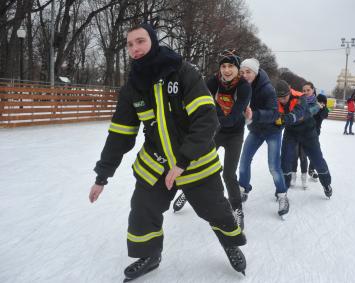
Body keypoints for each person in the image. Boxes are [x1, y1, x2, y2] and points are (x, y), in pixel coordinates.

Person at [88, 23, 246, 282]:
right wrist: (102, 175)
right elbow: (120, 134)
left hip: (194, 160)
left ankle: (230, 244)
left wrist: (183, 160)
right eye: (130, 44)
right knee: (142, 208)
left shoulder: (183, 72)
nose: (135, 48)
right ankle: (150, 254)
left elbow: (207, 119)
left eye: (140, 41)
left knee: (216, 210)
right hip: (156, 162)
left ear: (152, 41)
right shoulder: (132, 87)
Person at [173, 49, 251, 230]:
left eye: (231, 66)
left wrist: (213, 117)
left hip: (235, 134)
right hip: (216, 131)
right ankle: (188, 191)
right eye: (223, 66)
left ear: (237, 68)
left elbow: (235, 114)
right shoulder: (213, 81)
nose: (226, 70)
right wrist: (211, 117)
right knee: (196, 161)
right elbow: (205, 101)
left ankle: (237, 209)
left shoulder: (244, 87)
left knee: (229, 174)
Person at [238, 58, 289, 218]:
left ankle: (282, 196)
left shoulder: (267, 88)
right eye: (242, 72)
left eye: (248, 72)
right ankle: (243, 189)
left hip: (273, 130)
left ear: (255, 72)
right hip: (256, 130)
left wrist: (255, 115)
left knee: (273, 166)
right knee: (244, 161)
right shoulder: (240, 86)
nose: (245, 75)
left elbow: (274, 113)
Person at [276, 80, 333, 199]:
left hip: (308, 132)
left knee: (317, 160)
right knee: (285, 159)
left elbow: (300, 113)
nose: (282, 100)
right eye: (279, 97)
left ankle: (326, 184)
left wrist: (285, 118)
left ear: (290, 90)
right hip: (291, 132)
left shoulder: (300, 98)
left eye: (285, 96)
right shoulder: (276, 100)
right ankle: (282, 189)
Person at [308, 92, 328, 181]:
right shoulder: (313, 107)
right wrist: (316, 107)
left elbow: (324, 115)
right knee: (299, 153)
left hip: (315, 133)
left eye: (324, 103)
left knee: (314, 152)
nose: (322, 104)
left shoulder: (324, 110)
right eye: (320, 102)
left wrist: (321, 108)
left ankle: (311, 170)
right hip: (305, 131)